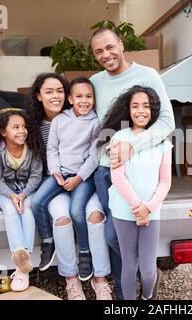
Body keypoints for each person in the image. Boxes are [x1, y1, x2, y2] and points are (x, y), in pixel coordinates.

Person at [90, 27, 175, 299]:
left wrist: (132, 145)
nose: (106, 55)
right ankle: (129, 279)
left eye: (110, 47)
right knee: (114, 236)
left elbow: (167, 122)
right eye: (99, 51)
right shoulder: (95, 82)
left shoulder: (147, 75)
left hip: (143, 168)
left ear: (121, 44)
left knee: (134, 234)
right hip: (108, 170)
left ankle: (141, 277)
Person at [29, 73, 112, 300]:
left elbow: (95, 156)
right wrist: (55, 171)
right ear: (71, 98)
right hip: (59, 174)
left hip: (82, 177)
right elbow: (51, 149)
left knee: (78, 210)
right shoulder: (57, 121)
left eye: (89, 96)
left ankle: (86, 254)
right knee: (37, 202)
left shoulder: (96, 122)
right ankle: (48, 242)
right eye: (79, 96)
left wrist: (78, 178)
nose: (84, 100)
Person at [103, 86, 172, 300]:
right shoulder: (119, 139)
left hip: (151, 212)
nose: (141, 111)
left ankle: (147, 296)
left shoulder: (162, 141)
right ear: (128, 110)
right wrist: (137, 207)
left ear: (153, 110)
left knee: (149, 269)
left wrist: (148, 208)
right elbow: (118, 177)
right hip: (124, 211)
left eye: (146, 106)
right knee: (129, 265)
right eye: (135, 106)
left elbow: (165, 181)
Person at [0, 110, 43, 292]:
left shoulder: (32, 149)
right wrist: (11, 195)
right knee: (10, 211)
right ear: (3, 132)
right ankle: (22, 259)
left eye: (24, 126)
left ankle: (21, 266)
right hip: (7, 192)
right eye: (15, 127)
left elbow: (36, 176)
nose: (22, 131)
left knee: (26, 211)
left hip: (27, 191)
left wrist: (23, 195)